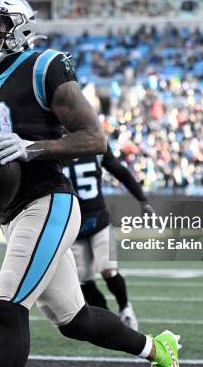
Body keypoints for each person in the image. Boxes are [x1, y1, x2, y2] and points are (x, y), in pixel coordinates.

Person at [0, 0, 180, 367]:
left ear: (20, 27)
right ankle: (158, 349)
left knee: (8, 305)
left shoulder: (44, 66)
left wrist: (30, 148)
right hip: (11, 212)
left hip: (49, 200)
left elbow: (95, 138)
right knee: (75, 319)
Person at [64, 141, 154, 330]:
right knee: (84, 280)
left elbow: (119, 171)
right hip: (72, 224)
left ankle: (125, 308)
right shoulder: (53, 146)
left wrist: (142, 200)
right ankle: (107, 322)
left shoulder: (95, 144)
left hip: (98, 220)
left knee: (108, 270)